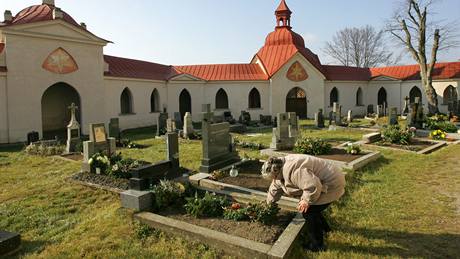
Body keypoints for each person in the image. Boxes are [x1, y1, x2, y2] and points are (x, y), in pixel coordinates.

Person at [262, 154, 346, 252]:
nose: (274, 179)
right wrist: (269, 203)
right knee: (314, 209)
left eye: (274, 177)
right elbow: (275, 187)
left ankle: (317, 246)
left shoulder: (294, 171)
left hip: (332, 184)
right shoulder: (279, 167)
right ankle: (325, 229)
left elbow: (313, 186)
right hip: (324, 181)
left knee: (309, 212)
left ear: (276, 172)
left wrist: (306, 200)